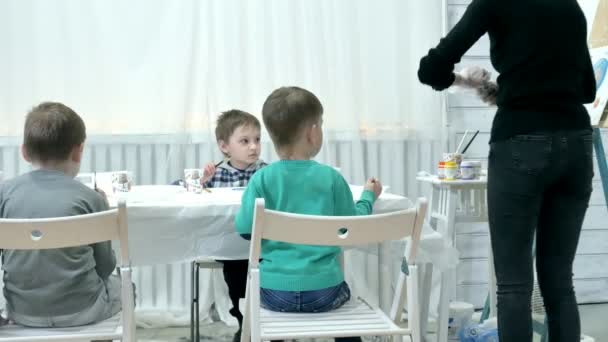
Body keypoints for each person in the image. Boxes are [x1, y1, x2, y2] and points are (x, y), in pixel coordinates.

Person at [417, 1, 597, 341]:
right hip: (575, 145)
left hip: (520, 142)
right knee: (559, 283)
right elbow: (586, 90)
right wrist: (510, 91)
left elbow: (431, 70)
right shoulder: (570, 7)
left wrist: (465, 81)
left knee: (514, 285)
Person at [235, 86, 383, 342]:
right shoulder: (332, 179)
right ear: (313, 133)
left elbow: (245, 229)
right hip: (324, 292)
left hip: (273, 292)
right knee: (346, 301)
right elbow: (352, 227)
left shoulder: (261, 179)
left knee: (271, 310)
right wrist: (368, 196)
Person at [0, 102, 122, 327]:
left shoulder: (4, 194)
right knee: (124, 287)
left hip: (22, 313)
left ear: (24, 152)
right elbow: (105, 266)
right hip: (82, 312)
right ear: (78, 152)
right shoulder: (92, 199)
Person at [199, 109, 267, 342]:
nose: (253, 147)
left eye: (257, 140)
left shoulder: (266, 172)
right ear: (224, 146)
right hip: (230, 247)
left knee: (266, 283)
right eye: (245, 141)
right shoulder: (216, 173)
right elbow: (181, 191)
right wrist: (201, 182)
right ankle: (243, 323)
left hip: (263, 245)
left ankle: (268, 324)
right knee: (237, 285)